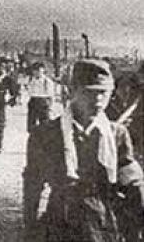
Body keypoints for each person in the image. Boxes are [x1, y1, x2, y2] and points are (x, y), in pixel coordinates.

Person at [23, 59, 144, 241]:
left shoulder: (116, 134)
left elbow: (132, 183)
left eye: (103, 93)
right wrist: (31, 229)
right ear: (72, 92)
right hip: (60, 221)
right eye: (89, 93)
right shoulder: (46, 134)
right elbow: (33, 185)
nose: (97, 100)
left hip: (104, 224)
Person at [26, 62, 59, 132]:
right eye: (35, 71)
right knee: (31, 125)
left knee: (45, 125)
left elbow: (51, 95)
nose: (37, 73)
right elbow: (29, 91)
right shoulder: (31, 80)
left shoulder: (47, 81)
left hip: (43, 102)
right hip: (33, 101)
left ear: (43, 71)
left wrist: (50, 107)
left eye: (39, 71)